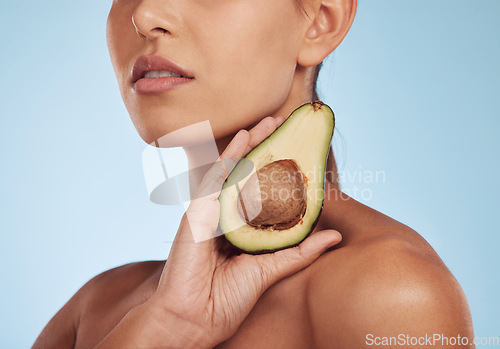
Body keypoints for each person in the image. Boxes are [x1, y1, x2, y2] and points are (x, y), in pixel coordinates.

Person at [33, 0, 475, 348]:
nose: (145, 14)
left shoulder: (392, 296)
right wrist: (165, 329)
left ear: (321, 21)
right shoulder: (93, 312)